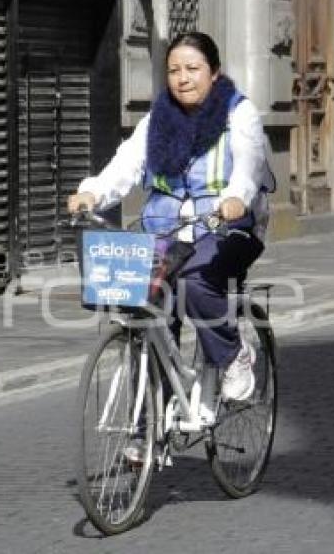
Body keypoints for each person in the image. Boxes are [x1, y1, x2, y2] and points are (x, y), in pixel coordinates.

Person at [68, 31, 274, 407]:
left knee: (193, 283)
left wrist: (235, 199)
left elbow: (248, 166)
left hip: (225, 224)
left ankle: (233, 356)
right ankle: (146, 425)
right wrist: (94, 192)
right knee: (146, 307)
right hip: (164, 226)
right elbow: (127, 163)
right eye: (174, 70)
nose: (183, 77)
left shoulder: (239, 113)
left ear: (214, 72)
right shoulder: (157, 119)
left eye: (193, 68)